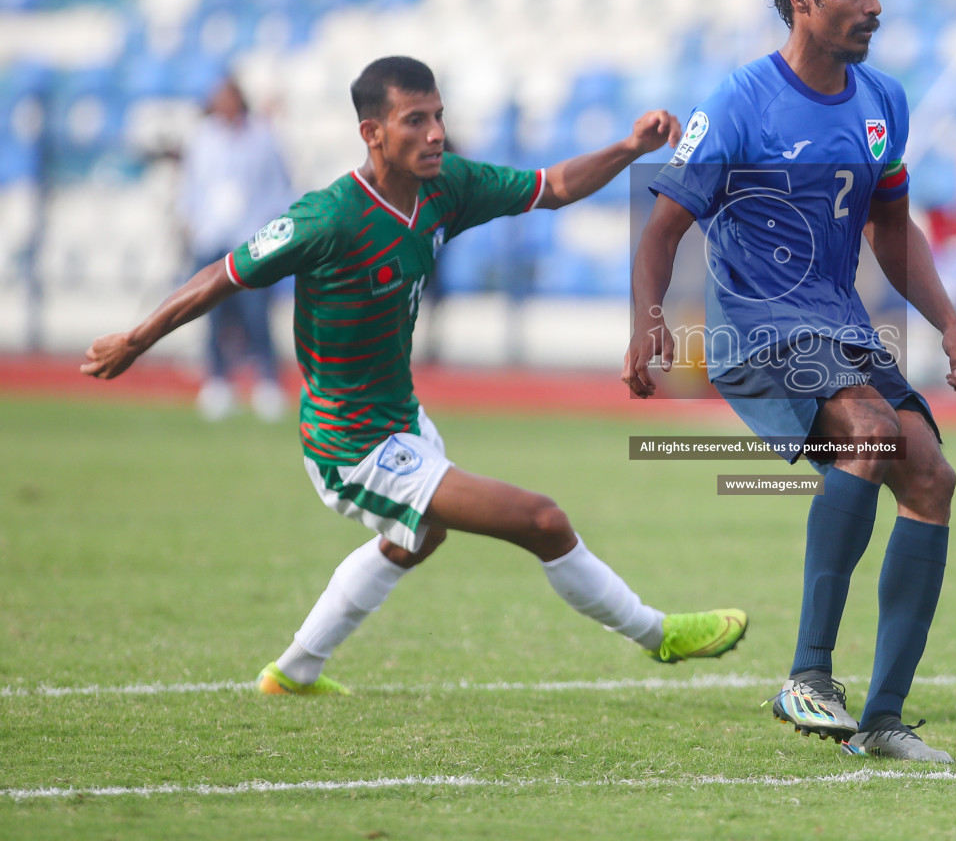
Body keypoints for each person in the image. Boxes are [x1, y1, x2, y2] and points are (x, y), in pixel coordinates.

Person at [83, 56, 747, 695]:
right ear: (372, 133)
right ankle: (655, 633)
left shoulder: (445, 186)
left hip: (401, 420)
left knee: (418, 539)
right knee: (541, 519)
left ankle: (295, 671)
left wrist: (629, 146)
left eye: (437, 116)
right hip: (349, 443)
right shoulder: (328, 217)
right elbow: (222, 274)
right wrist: (137, 338)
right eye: (414, 121)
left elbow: (555, 187)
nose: (434, 133)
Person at [622, 0, 956, 763]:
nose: (875, 6)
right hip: (756, 329)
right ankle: (808, 674)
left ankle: (885, 720)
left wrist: (951, 321)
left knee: (932, 475)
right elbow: (660, 229)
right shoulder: (740, 103)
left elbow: (893, 231)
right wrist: (650, 323)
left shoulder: (883, 101)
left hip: (839, 329)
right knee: (868, 432)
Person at [178, 76, 292, 422]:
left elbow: (279, 187)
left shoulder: (262, 138)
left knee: (256, 312)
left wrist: (268, 225)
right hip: (212, 236)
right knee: (210, 312)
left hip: (251, 237)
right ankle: (217, 379)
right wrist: (192, 222)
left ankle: (267, 380)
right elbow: (192, 186)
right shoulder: (202, 138)